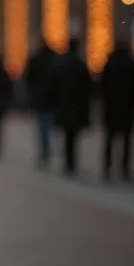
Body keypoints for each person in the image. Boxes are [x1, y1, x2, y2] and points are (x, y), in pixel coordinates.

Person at [46, 38, 92, 176]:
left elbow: (53, 86)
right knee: (73, 135)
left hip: (63, 105)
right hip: (76, 106)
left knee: (67, 134)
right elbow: (88, 87)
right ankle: (71, 162)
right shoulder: (80, 65)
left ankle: (68, 162)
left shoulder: (61, 65)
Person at [98, 40, 134, 180]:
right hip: (127, 108)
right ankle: (124, 167)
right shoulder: (131, 64)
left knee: (110, 138)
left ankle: (107, 166)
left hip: (111, 107)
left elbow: (102, 86)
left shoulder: (109, 64)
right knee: (126, 140)